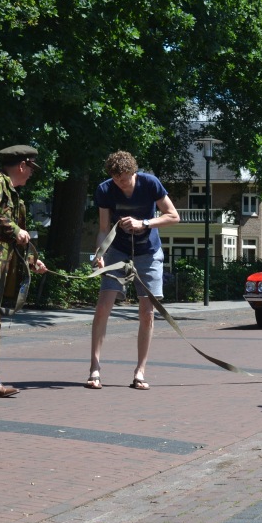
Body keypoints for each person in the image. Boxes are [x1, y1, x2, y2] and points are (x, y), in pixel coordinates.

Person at [87, 151, 180, 390]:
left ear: (134, 172)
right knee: (103, 306)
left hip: (148, 252)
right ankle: (94, 368)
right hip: (117, 250)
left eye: (126, 179)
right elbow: (104, 228)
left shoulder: (150, 183)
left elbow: (173, 216)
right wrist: (100, 254)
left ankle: (140, 371)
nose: (121, 184)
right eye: (117, 180)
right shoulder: (105, 190)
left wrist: (145, 223)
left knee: (147, 311)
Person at [0, 145, 48, 397]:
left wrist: (33, 260)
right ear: (22, 166)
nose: (31, 175)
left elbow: (17, 237)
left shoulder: (12, 193)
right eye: (31, 169)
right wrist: (14, 230)